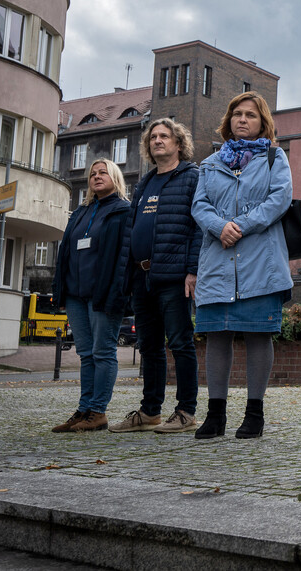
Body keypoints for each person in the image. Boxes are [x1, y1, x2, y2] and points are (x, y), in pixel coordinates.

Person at [192, 91, 293, 440]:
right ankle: (215, 414)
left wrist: (242, 225)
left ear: (262, 121)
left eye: (250, 114)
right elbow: (199, 206)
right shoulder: (209, 163)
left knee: (257, 334)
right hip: (218, 261)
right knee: (217, 336)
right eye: (237, 113)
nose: (242, 119)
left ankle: (254, 414)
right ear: (228, 121)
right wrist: (220, 227)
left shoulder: (274, 157)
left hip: (260, 262)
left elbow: (279, 198)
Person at [109, 118, 202, 434]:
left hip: (174, 276)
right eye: (153, 137)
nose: (157, 140)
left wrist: (192, 271)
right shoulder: (145, 183)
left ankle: (186, 412)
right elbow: (132, 232)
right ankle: (150, 412)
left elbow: (198, 228)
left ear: (178, 144)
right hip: (142, 276)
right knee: (148, 346)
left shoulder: (191, 177)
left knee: (180, 343)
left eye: (164, 136)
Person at [51, 159, 130, 432]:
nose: (96, 177)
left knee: (103, 351)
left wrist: (118, 291)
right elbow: (65, 254)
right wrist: (60, 289)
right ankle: (84, 410)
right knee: (86, 354)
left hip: (103, 293)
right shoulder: (80, 213)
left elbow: (124, 258)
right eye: (92, 174)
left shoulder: (123, 211)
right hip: (75, 293)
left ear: (115, 177)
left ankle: (98, 412)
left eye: (103, 172)